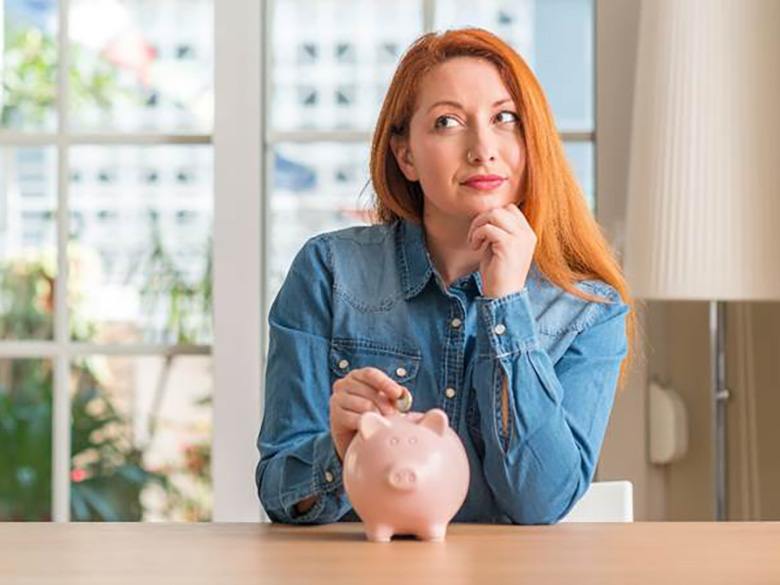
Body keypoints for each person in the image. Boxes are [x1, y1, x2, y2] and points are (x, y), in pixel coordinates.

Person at [255, 28, 637, 525]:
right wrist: (340, 451)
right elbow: (280, 493)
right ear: (405, 156)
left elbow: (540, 504)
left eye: (505, 119)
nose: (483, 149)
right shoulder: (329, 272)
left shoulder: (587, 309)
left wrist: (506, 306)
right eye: (448, 122)